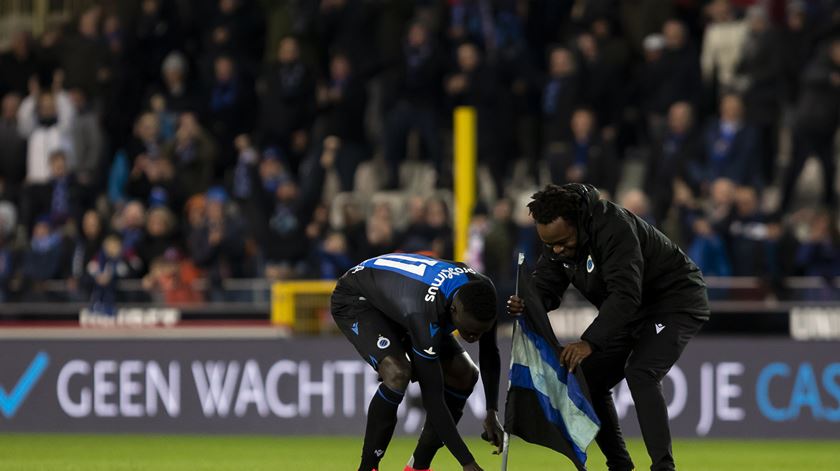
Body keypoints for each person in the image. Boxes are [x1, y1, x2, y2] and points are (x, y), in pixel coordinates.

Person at [507, 183, 710, 471]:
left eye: (563, 241)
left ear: (578, 221)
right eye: (550, 245)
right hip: (630, 310)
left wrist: (589, 342)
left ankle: (664, 468)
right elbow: (546, 286)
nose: (557, 249)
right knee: (586, 378)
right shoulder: (558, 240)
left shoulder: (615, 227)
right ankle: (619, 466)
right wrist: (526, 304)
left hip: (673, 301)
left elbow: (626, 294)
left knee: (641, 371)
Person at [331, 252, 503, 471]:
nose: (474, 337)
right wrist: (467, 462)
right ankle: (368, 468)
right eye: (468, 330)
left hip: (400, 300)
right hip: (358, 298)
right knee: (397, 372)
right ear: (454, 309)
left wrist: (491, 412)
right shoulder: (424, 314)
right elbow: (433, 399)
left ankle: (418, 467)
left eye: (481, 331)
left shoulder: (483, 294)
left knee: (465, 373)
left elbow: (489, 353)